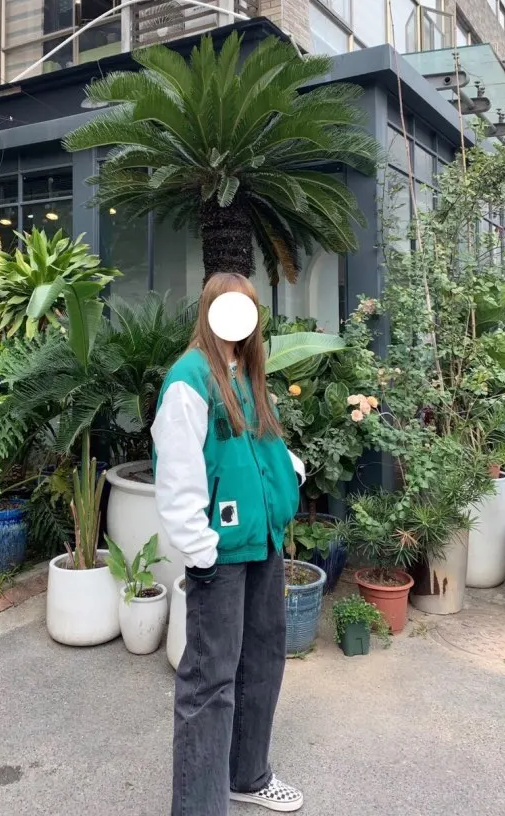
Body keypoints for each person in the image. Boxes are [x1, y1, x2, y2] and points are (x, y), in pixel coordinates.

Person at [151, 271, 305, 815]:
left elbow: (265, 446)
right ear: (210, 310)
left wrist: (289, 475)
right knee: (209, 682)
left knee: (263, 659)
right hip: (220, 553)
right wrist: (201, 549)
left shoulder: (248, 372)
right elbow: (177, 473)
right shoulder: (189, 380)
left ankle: (248, 775)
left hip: (264, 541)